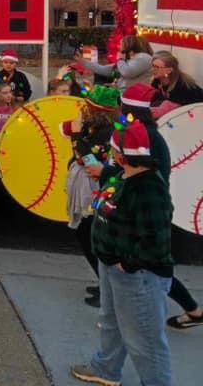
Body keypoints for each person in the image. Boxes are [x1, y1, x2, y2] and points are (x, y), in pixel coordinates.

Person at [71, 119, 174, 386]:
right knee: (112, 322)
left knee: (145, 340)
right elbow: (112, 179)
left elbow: (156, 241)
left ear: (119, 155)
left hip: (137, 276)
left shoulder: (149, 188)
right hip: (113, 266)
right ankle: (106, 368)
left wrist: (127, 264)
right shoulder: (125, 175)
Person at [119, 83, 203, 331]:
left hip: (149, 206)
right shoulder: (144, 131)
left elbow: (135, 173)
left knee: (154, 265)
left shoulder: (142, 136)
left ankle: (188, 310)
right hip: (150, 204)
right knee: (153, 264)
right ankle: (192, 309)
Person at [61, 84, 121, 307]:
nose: (84, 109)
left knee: (92, 237)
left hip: (98, 187)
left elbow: (89, 159)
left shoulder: (109, 132)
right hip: (92, 184)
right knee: (87, 235)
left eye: (88, 107)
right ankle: (104, 282)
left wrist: (77, 135)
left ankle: (110, 290)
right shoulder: (95, 126)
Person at [81, 35, 153, 89]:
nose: (118, 47)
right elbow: (105, 70)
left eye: (121, 44)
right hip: (124, 93)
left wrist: (121, 60)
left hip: (134, 97)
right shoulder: (129, 59)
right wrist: (83, 61)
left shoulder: (144, 57)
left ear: (129, 45)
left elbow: (127, 72)